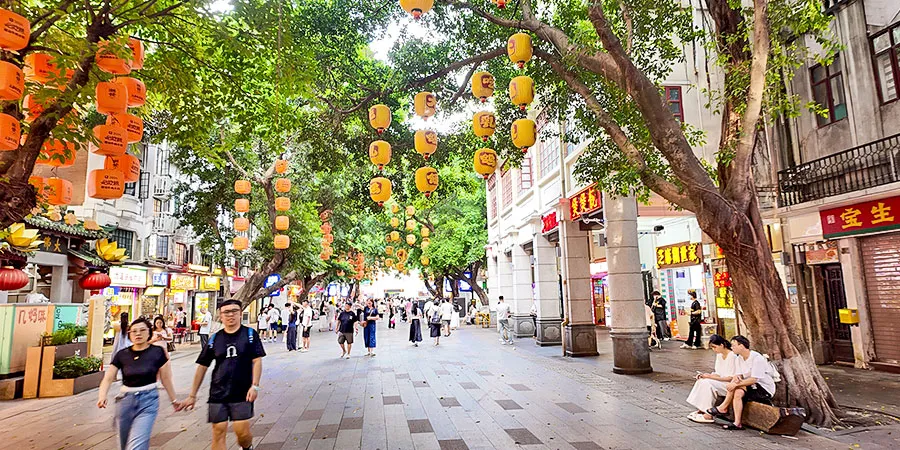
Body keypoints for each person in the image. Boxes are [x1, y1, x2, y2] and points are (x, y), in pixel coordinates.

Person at [181, 299, 266, 450]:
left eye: (234, 311)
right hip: (218, 393)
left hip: (242, 393)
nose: (230, 315)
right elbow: (202, 366)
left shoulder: (250, 335)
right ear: (220, 316)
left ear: (240, 314)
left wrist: (255, 386)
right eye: (226, 312)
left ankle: (247, 447)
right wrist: (192, 395)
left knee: (242, 433)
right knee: (218, 431)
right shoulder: (215, 339)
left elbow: (257, 361)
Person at [97, 318, 181, 450]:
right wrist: (102, 396)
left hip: (149, 401)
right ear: (129, 334)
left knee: (137, 445)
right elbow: (108, 378)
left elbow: (166, 378)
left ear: (149, 333)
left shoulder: (157, 352)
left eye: (142, 330)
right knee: (124, 445)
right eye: (134, 331)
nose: (138, 334)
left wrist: (174, 400)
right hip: (125, 401)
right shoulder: (122, 354)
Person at [707, 335, 777, 430]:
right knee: (737, 392)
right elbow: (738, 375)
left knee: (736, 387)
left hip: (763, 388)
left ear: (741, 346)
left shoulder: (757, 358)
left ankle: (723, 407)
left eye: (734, 345)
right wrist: (735, 381)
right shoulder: (739, 358)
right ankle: (737, 423)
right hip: (750, 386)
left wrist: (735, 384)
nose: (731, 347)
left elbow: (754, 379)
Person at [686, 335, 737, 423]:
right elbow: (718, 373)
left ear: (721, 345)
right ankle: (702, 409)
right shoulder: (719, 356)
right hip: (720, 381)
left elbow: (730, 377)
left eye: (714, 347)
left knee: (708, 384)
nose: (714, 350)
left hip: (729, 384)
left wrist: (710, 377)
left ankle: (708, 414)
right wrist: (706, 375)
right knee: (702, 381)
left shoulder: (732, 356)